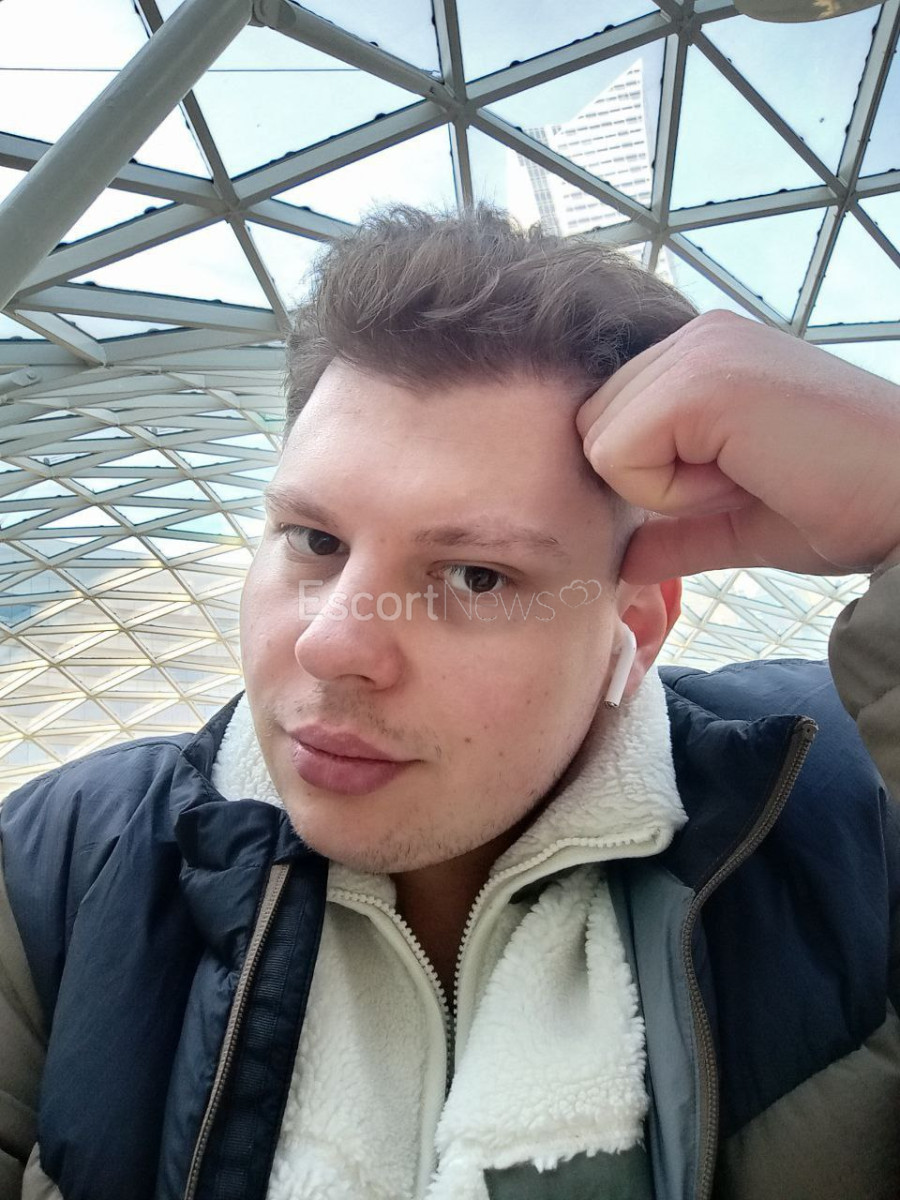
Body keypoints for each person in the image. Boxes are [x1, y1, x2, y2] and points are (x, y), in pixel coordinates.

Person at [0, 206, 898, 1200]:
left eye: (476, 575)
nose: (332, 644)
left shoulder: (854, 813)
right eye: (314, 541)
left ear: (634, 626)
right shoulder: (58, 864)